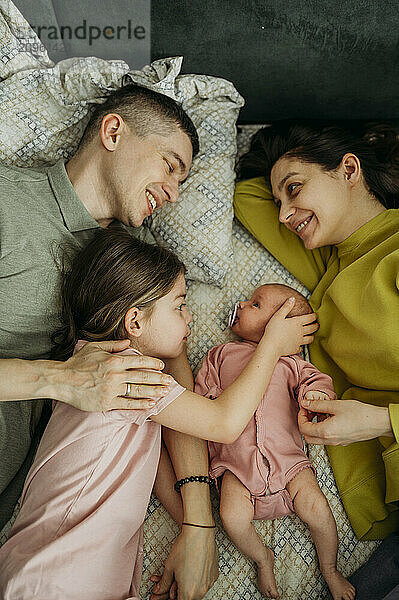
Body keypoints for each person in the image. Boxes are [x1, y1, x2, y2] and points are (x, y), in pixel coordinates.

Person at [0, 228, 318, 599]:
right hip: (54, 577)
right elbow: (225, 422)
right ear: (134, 322)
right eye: (179, 305)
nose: (190, 318)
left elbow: (147, 468)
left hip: (65, 572)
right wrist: (272, 344)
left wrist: (193, 524)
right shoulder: (125, 373)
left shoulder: (95, 369)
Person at [0, 82, 215, 600]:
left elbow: (170, 376)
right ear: (113, 131)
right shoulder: (7, 201)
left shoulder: (141, 259)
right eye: (169, 165)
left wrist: (199, 524)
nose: (174, 192)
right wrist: (60, 379)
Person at [233, 120, 399, 598]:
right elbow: (247, 197)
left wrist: (380, 421)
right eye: (281, 200)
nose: (284, 214)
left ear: (350, 168)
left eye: (294, 190)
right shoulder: (331, 272)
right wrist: (283, 176)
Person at [193, 283, 354, 600]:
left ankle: (330, 568)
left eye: (255, 304)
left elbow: (315, 381)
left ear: (280, 324)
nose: (241, 303)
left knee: (318, 510)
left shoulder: (291, 362)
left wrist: (317, 396)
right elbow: (203, 397)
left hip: (289, 464)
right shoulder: (220, 355)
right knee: (231, 517)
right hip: (236, 468)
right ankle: (262, 557)